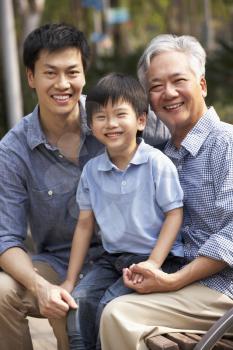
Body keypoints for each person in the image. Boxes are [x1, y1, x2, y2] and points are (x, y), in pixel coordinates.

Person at [0, 24, 169, 350]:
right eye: (50, 73)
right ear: (31, 77)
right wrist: (40, 287)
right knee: (3, 292)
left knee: (81, 307)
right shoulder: (13, 150)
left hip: (126, 260)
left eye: (72, 72)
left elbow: (174, 133)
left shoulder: (115, 117)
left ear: (84, 75)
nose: (62, 84)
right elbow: (6, 239)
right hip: (59, 263)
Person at [100, 34, 233, 350]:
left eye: (178, 80)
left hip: (223, 289)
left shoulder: (226, 143)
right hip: (183, 284)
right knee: (90, 298)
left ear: (201, 85)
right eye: (156, 86)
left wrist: (175, 280)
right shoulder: (162, 156)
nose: (168, 93)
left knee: (118, 315)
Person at [62, 72, 184, 350]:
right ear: (91, 124)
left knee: (110, 307)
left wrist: (153, 263)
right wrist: (70, 280)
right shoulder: (92, 171)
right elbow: (84, 225)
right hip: (111, 259)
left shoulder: (157, 164)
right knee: (79, 303)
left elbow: (174, 214)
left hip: (155, 258)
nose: (111, 124)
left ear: (141, 120)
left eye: (120, 114)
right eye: (101, 117)